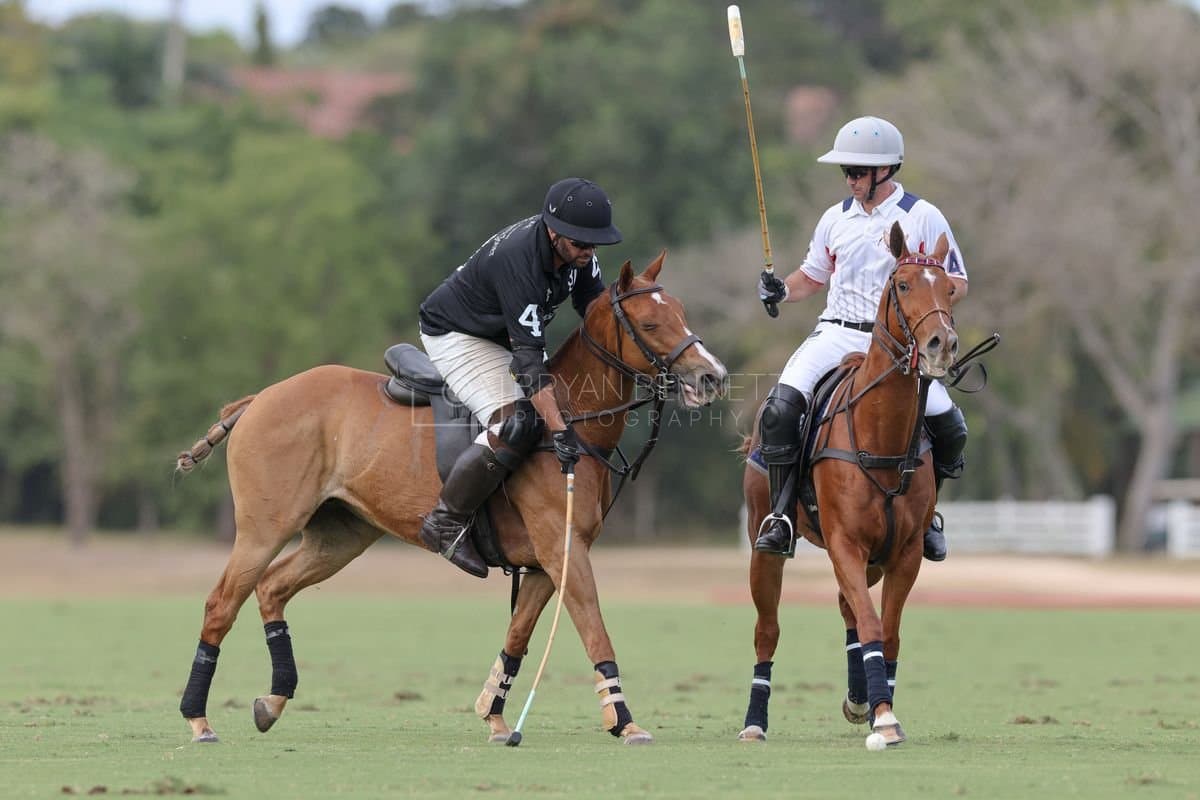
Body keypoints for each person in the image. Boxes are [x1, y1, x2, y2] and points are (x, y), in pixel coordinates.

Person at [754, 116, 969, 562]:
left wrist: (931, 319)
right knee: (779, 410)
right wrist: (781, 289)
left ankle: (927, 516)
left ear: (884, 170)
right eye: (845, 172)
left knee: (951, 426)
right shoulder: (835, 219)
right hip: (836, 332)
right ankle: (781, 516)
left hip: (896, 348)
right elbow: (813, 276)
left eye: (857, 172)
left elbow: (956, 281)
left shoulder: (922, 216)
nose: (850, 180)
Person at [416, 178, 622, 578]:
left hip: (506, 333)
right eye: (581, 243)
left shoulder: (578, 255)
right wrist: (560, 430)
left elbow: (595, 312)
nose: (589, 252)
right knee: (520, 422)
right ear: (554, 232)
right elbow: (529, 366)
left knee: (564, 405)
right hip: (459, 334)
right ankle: (444, 522)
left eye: (595, 244)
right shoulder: (520, 262)